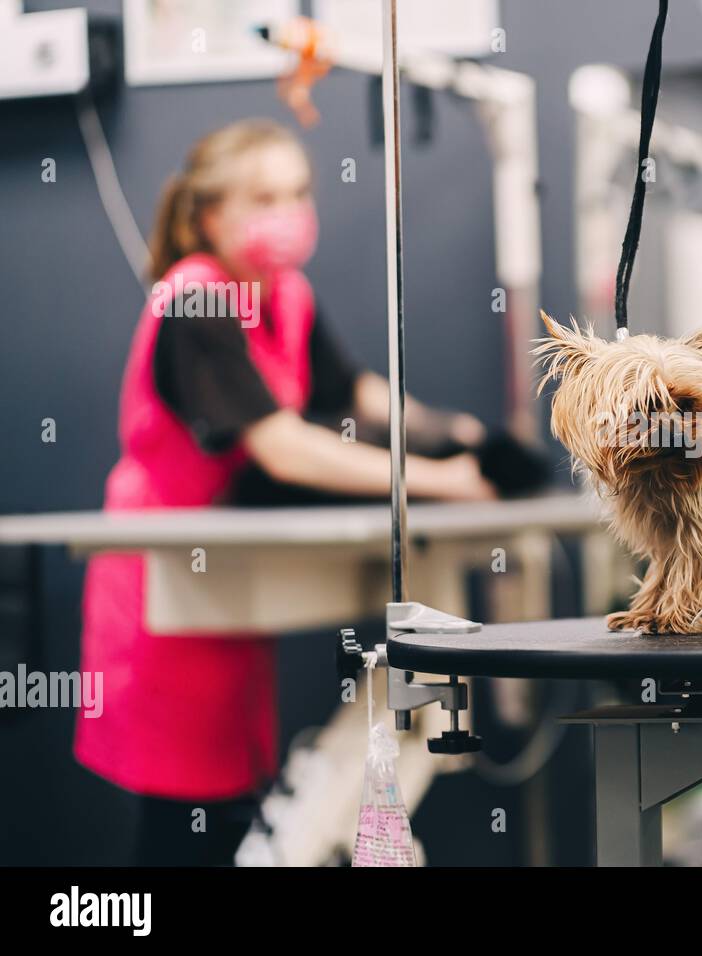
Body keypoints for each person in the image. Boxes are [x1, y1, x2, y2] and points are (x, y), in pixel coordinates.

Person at [74, 119, 500, 866]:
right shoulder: (196, 297)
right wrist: (438, 482)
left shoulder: (286, 295)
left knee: (238, 795)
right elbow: (281, 444)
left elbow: (359, 394)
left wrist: (456, 433)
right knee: (181, 819)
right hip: (163, 584)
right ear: (209, 214)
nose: (289, 211)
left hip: (236, 578)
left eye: (299, 192)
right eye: (263, 196)